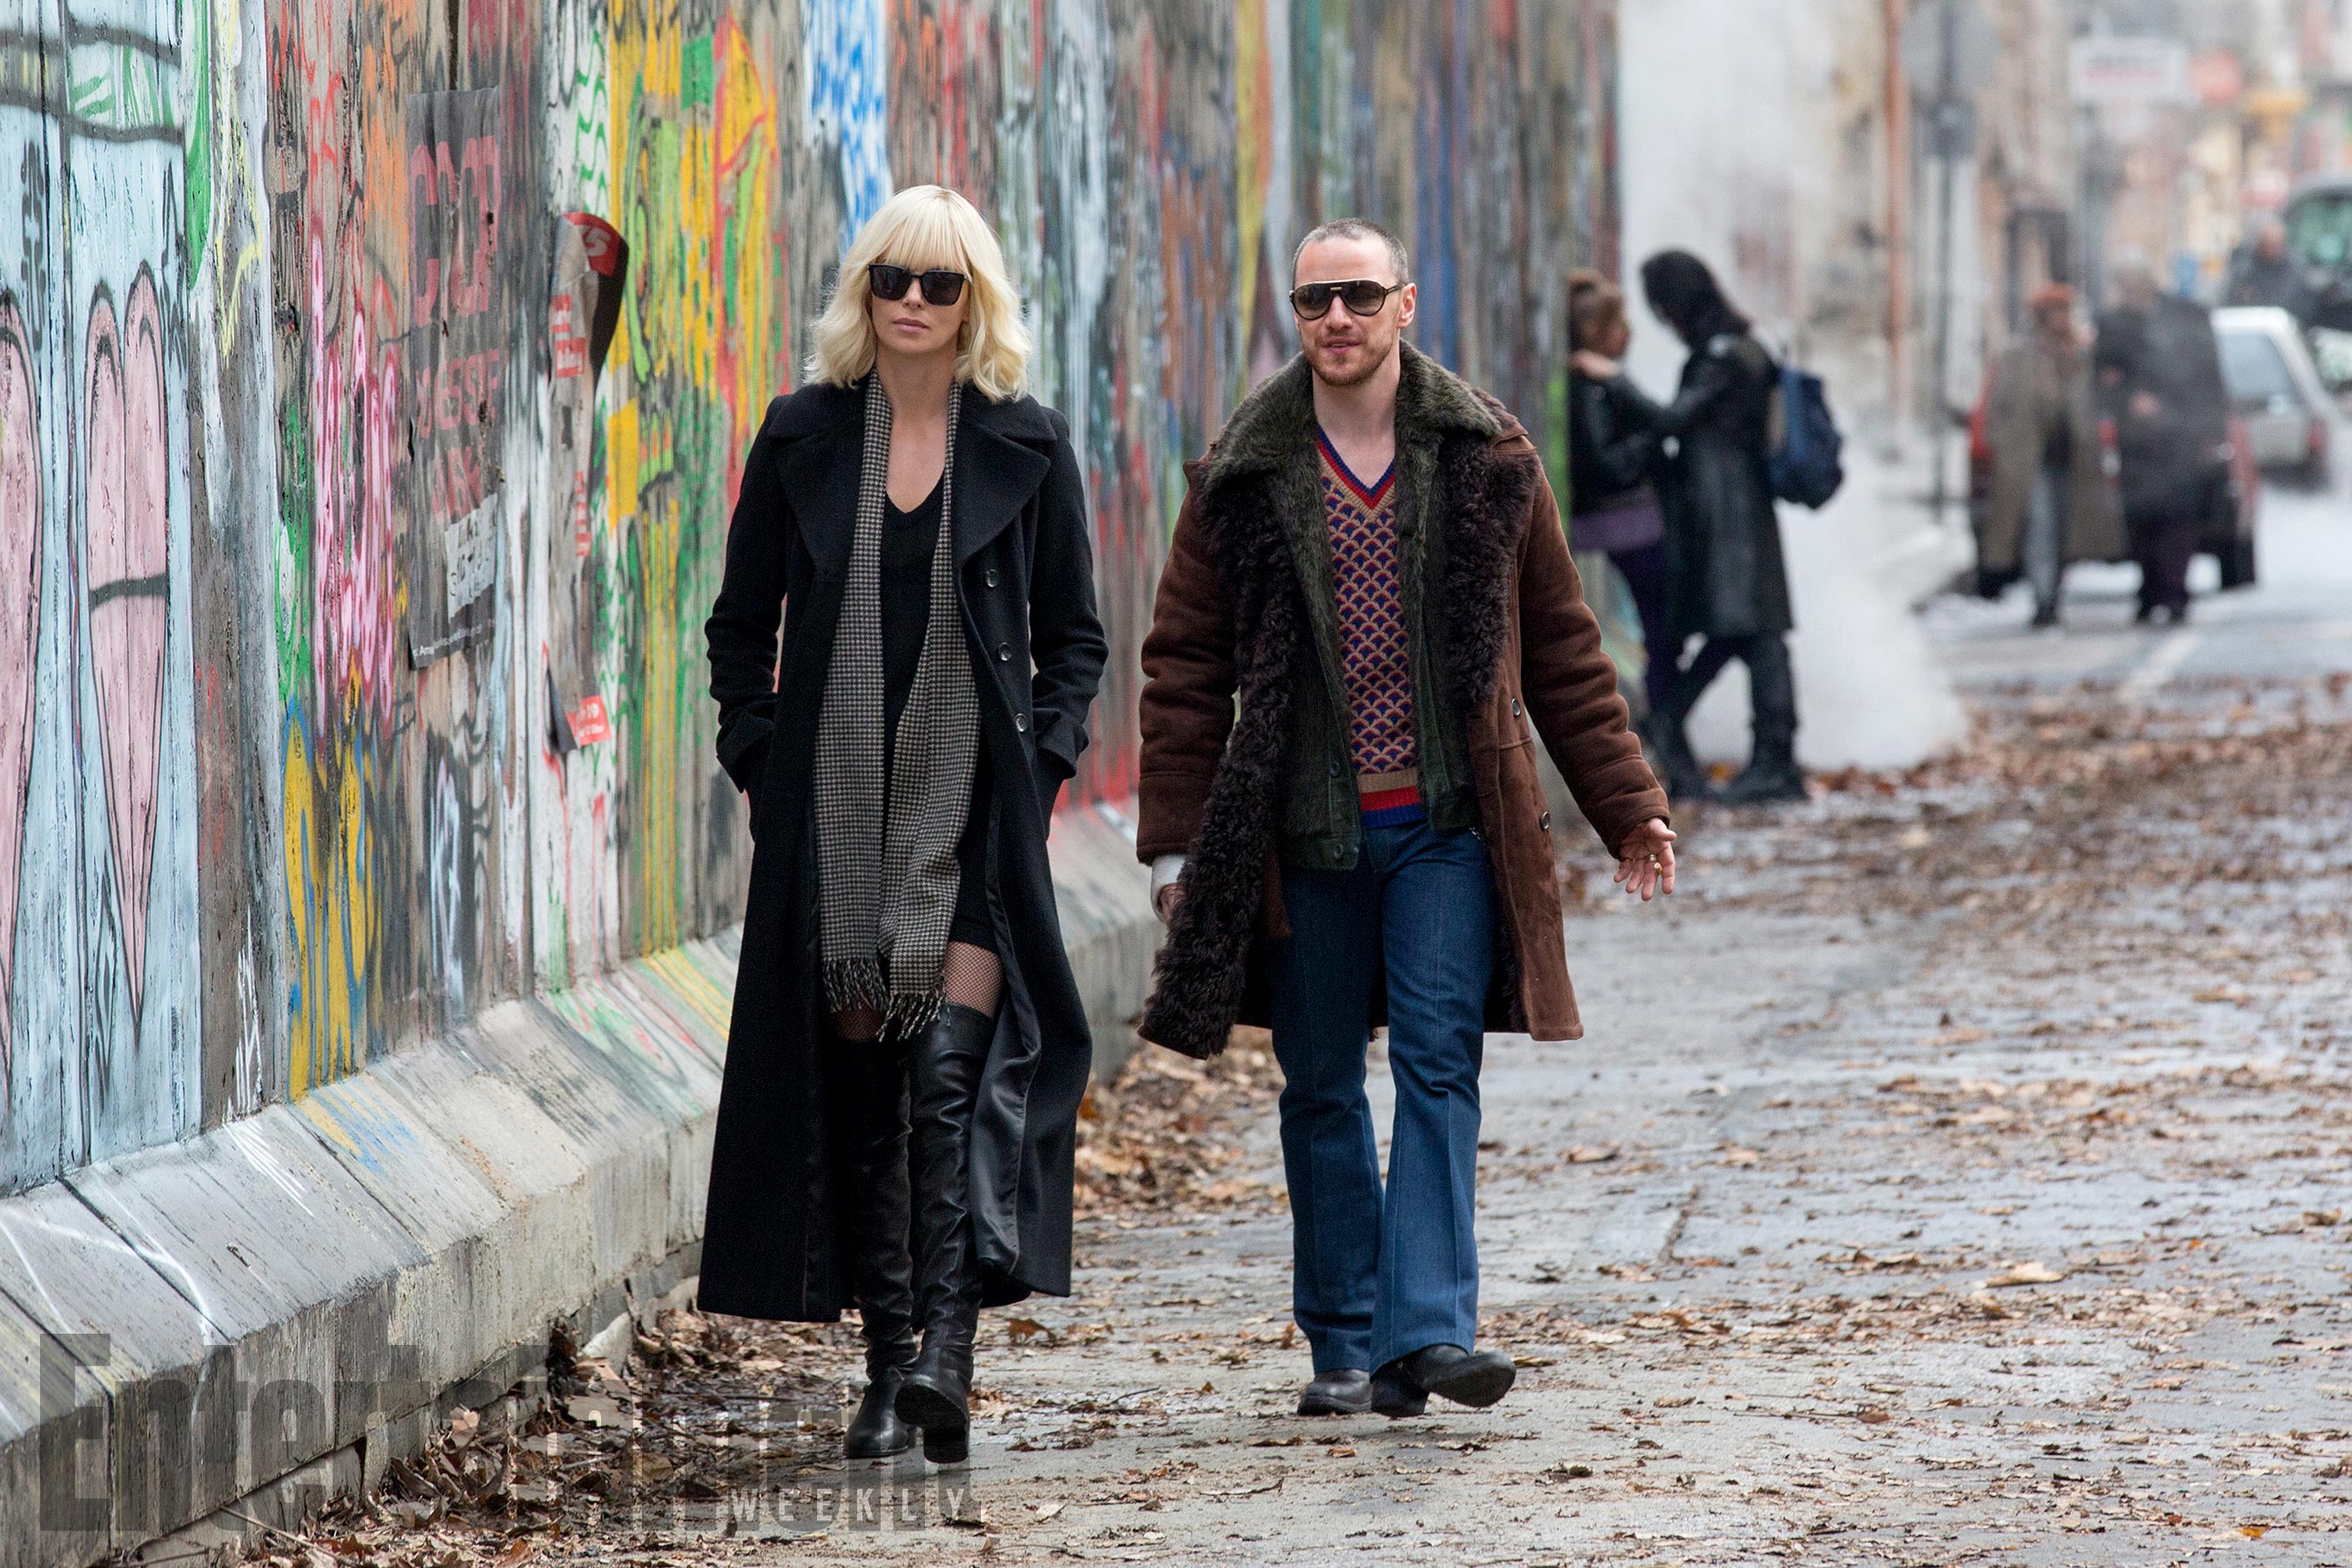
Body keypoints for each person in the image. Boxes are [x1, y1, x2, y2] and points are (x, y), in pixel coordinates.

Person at [1135, 218, 1676, 1422]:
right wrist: (1175, 847)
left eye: (1360, 296)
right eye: (1315, 300)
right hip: (1303, 836)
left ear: (1406, 304)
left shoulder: (1485, 454)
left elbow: (1564, 650)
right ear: (1297, 314)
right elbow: (1184, 670)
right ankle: (1344, 1337)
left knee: (1439, 1062)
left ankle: (1427, 1331)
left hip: (1447, 828)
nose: (1337, 318)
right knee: (1322, 1083)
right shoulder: (1243, 475)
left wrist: (1629, 806)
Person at [698, 185, 1107, 1466]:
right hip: (835, 825)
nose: (914, 303)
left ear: (975, 300)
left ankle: (947, 1361)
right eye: (892, 279)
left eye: (940, 283)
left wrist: (1039, 769)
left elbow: (1075, 640)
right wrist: (761, 761)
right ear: (863, 292)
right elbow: (738, 628)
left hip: (973, 822)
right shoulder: (804, 435)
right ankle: (888, 1370)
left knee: (947, 1082)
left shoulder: (1026, 443)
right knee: (868, 1093)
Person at [1574, 250, 1800, 805]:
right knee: (1752, 634)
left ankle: (1749, 753)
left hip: (1727, 516)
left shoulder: (1723, 356)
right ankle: (1764, 758)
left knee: (1751, 634)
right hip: (1735, 511)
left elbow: (1674, 419)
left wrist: (1615, 380)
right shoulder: (1737, 349)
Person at [1566, 273, 1684, 779]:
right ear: (1599, 331)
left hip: (1628, 524)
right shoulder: (1595, 387)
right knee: (1661, 633)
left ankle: (1672, 741)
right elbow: (1615, 461)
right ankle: (1672, 746)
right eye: (1621, 324)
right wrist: (1620, 386)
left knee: (1660, 633)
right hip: (1626, 525)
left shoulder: (1597, 382)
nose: (1630, 334)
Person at [1978, 283, 2123, 628]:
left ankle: (2054, 590)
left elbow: (2094, 402)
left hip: (2073, 457)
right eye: (2056, 313)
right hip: (2030, 459)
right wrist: (2002, 444)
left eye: (2066, 313)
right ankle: (2044, 598)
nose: (2062, 319)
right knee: (2039, 527)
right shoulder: (2017, 355)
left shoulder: (2079, 355)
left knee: (2067, 530)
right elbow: (1997, 407)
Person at [2095, 258, 2229, 624]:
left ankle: (2174, 591)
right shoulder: (2116, 324)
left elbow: (2207, 377)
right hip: (2137, 440)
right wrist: (2129, 400)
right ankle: (2150, 589)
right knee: (2141, 519)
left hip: (2181, 435)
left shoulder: (2187, 318)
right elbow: (2103, 380)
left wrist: (2209, 430)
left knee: (2178, 518)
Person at [2224, 220, 2315, 324]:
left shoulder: (2295, 269)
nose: (2273, 249)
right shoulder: (2245, 268)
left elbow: (2299, 304)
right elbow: (2231, 298)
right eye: (2269, 244)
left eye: (2276, 245)